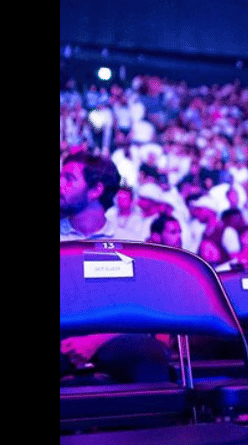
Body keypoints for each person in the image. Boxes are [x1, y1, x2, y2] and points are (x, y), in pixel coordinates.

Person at [60, 152, 172, 382]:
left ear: (95, 190)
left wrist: (96, 339)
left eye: (68, 178)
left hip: (113, 337)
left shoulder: (129, 243)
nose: (60, 183)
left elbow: (145, 308)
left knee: (148, 357)